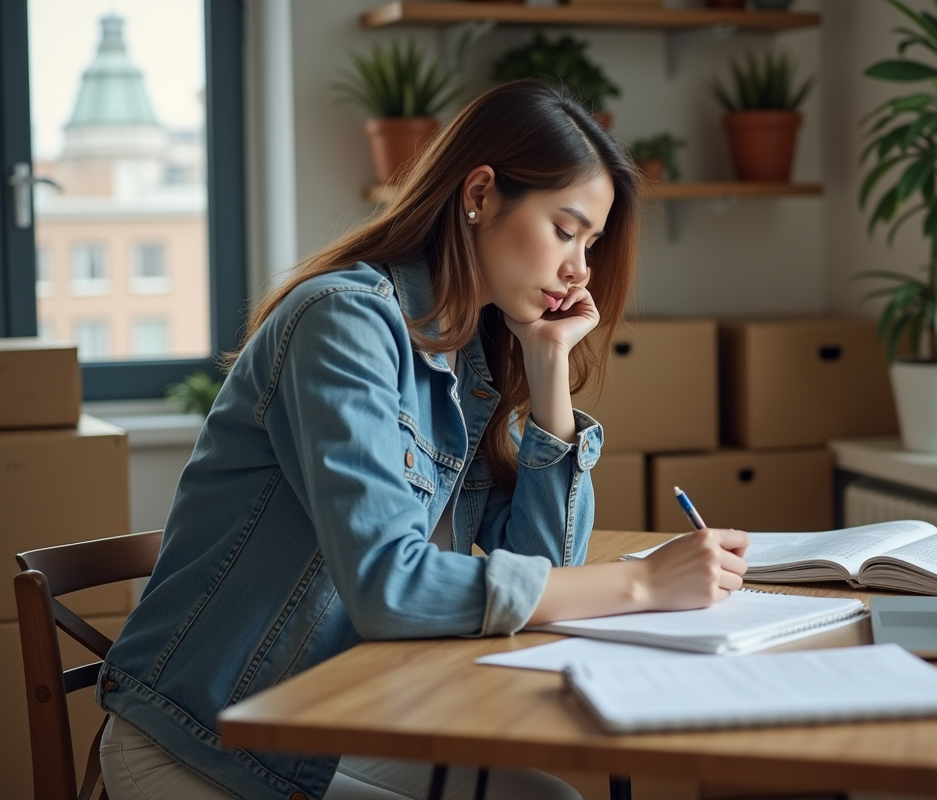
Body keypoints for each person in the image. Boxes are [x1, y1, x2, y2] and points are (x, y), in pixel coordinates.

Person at [95, 80, 749, 800]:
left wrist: (549, 365)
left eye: (590, 244)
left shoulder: (464, 357)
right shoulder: (343, 324)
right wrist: (644, 582)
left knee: (551, 798)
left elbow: (543, 568)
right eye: (565, 230)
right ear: (479, 195)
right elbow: (390, 587)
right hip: (205, 740)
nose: (580, 271)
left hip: (327, 718)